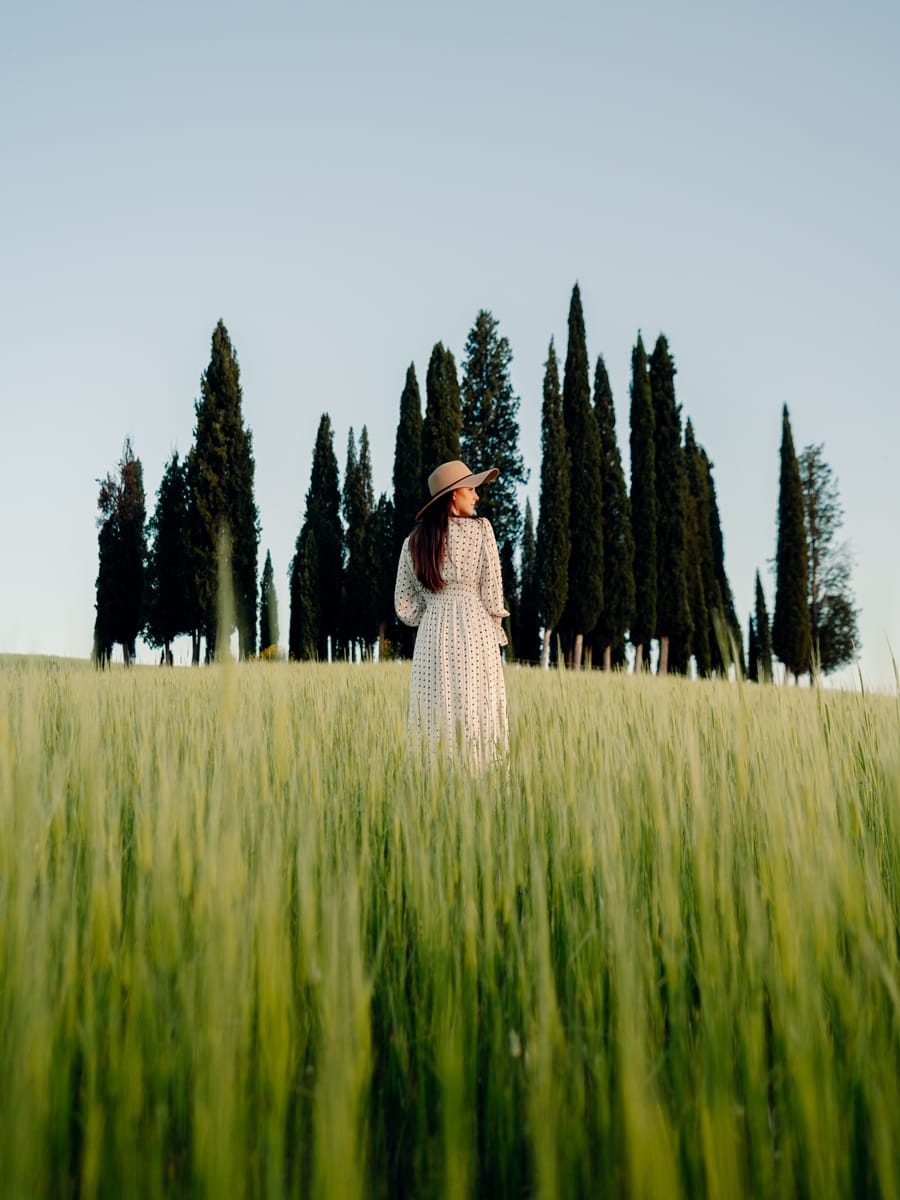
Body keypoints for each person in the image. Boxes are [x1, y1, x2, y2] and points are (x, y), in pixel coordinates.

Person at [395, 460, 509, 768]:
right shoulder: (482, 530)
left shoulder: (413, 543)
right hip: (476, 631)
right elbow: (493, 593)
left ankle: (434, 790)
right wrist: (492, 627)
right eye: (471, 489)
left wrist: (434, 610)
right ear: (453, 494)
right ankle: (481, 786)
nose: (476, 497)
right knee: (478, 710)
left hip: (432, 636)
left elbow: (404, 605)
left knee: (434, 715)